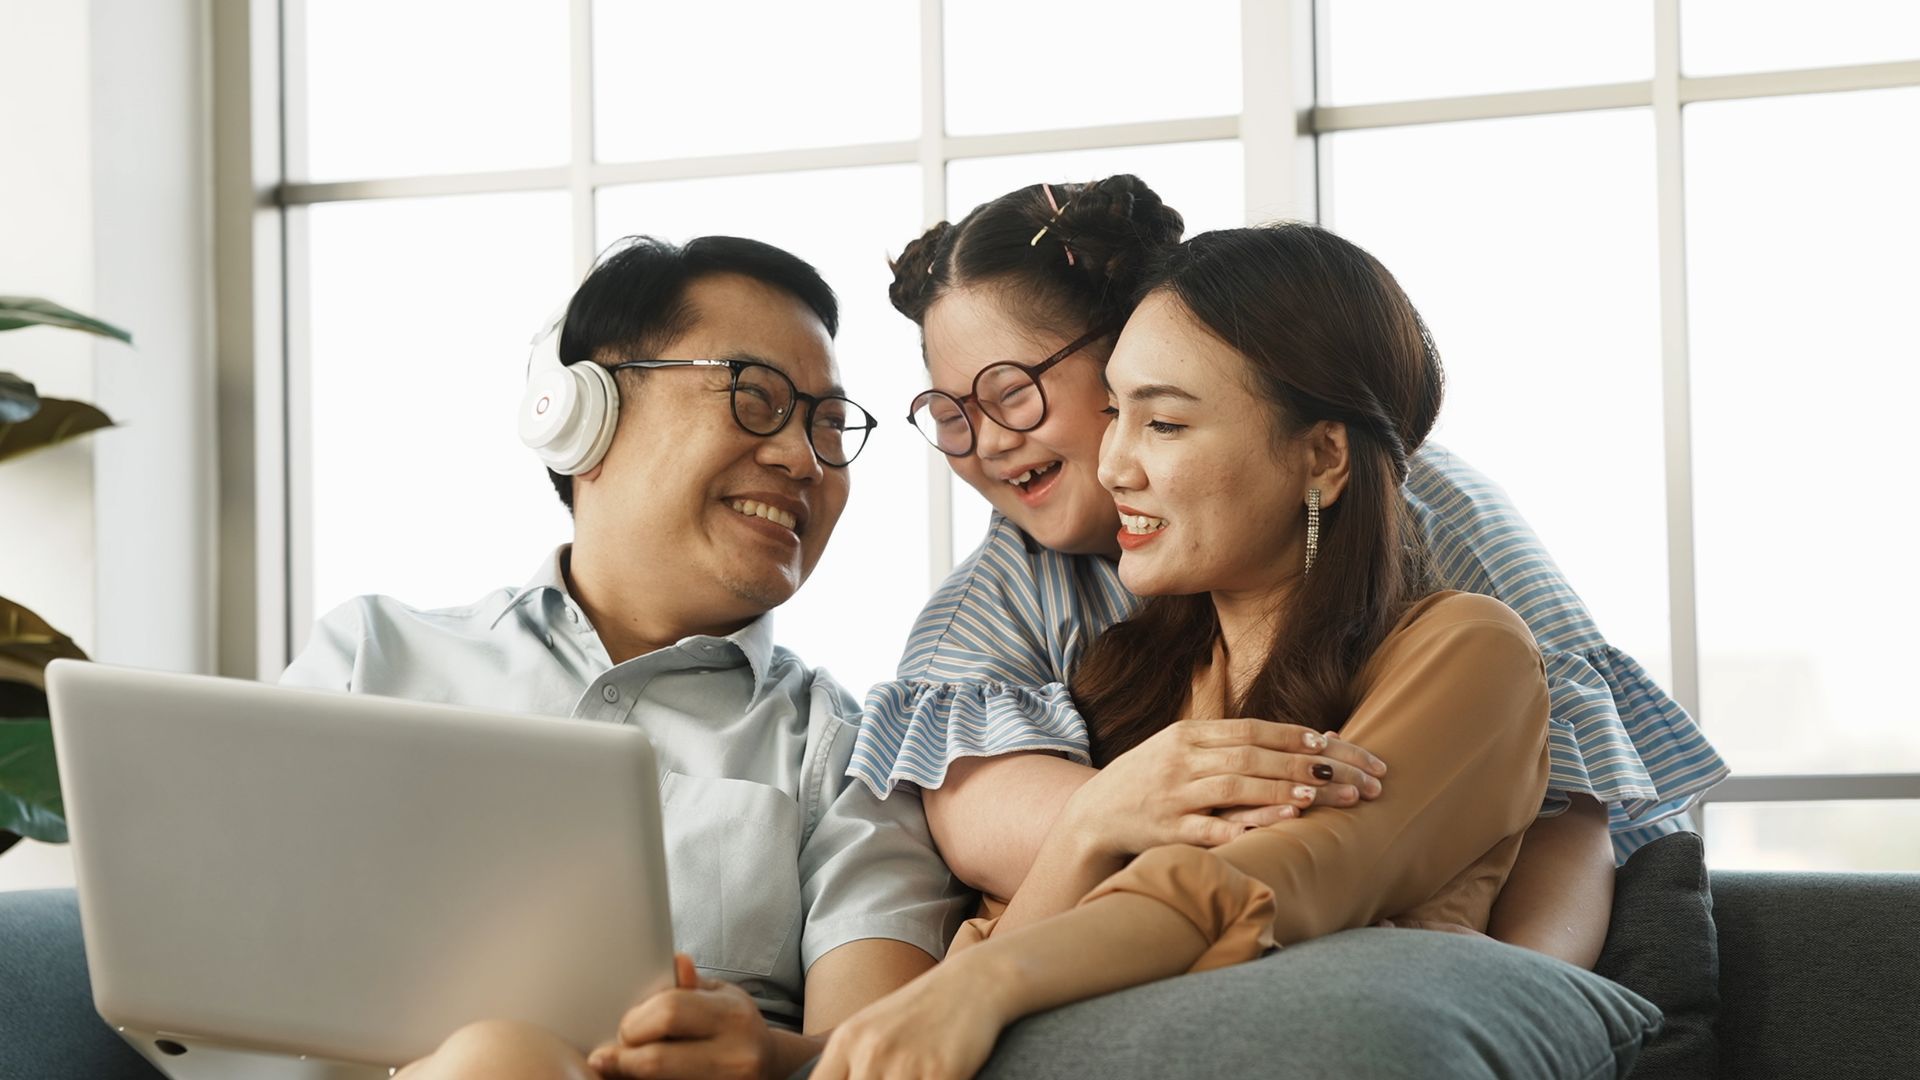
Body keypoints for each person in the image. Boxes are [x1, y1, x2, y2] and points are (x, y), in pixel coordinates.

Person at [857, 175, 1727, 967]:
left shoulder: (1425, 517)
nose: (990, 439)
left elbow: (1567, 803)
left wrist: (1529, 1007)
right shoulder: (988, 608)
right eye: (949, 412)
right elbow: (1005, 840)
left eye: (1012, 392)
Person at [813, 222, 1565, 1078]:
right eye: (1116, 414)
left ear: (1323, 455)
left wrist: (988, 982)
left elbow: (1278, 880)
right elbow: (973, 957)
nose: (1113, 467)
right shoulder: (1128, 677)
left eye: (1164, 423)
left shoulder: (1470, 653)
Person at [281, 235, 972, 1078]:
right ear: (581, 415)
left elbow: (870, 1053)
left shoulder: (846, 753)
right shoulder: (369, 658)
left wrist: (765, 1055)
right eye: (755, 398)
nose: (802, 458)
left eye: (828, 426)